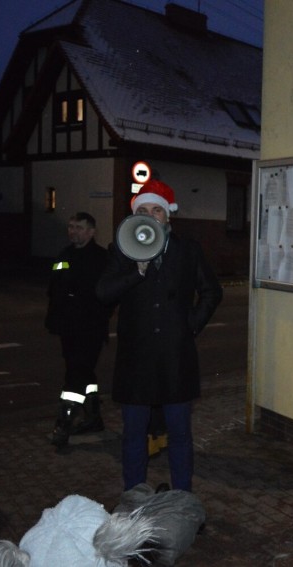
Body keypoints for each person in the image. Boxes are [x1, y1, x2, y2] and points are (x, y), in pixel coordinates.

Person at [96, 179, 222, 492]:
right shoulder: (123, 251)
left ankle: (182, 497)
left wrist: (190, 325)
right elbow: (102, 293)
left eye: (157, 210)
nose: (151, 215)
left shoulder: (188, 250)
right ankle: (134, 497)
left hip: (174, 358)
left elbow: (211, 292)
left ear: (168, 216)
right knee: (134, 435)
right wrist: (135, 272)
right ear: (134, 216)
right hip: (136, 359)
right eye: (144, 210)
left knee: (179, 435)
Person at [45, 212, 112, 449]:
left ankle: (63, 423)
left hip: (89, 329)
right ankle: (94, 418)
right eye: (71, 227)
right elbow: (54, 288)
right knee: (83, 373)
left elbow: (108, 296)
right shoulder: (65, 254)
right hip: (68, 328)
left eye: (79, 227)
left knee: (74, 375)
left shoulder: (101, 258)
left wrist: (95, 315)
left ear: (91, 231)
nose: (74, 231)